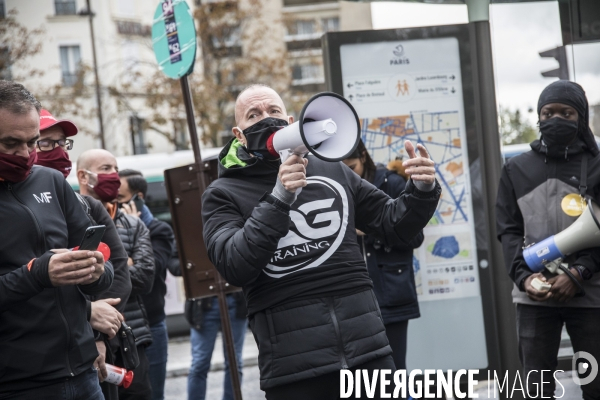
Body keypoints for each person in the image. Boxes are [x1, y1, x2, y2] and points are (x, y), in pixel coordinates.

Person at [201, 84, 440, 399]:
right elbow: (235, 264)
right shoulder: (222, 193)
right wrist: (279, 198)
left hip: (367, 352)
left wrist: (421, 192)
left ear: (289, 121)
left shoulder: (332, 168)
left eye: (273, 111)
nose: (265, 118)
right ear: (239, 134)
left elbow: (391, 224)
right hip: (294, 368)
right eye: (253, 115)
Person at [0, 80, 112, 399]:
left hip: (83, 373)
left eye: (33, 142)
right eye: (10, 144)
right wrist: (36, 275)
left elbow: (104, 266)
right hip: (18, 385)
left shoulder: (51, 180)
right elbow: (37, 275)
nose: (25, 155)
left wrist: (95, 272)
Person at [496, 80, 600, 399]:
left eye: (566, 113)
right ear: (539, 118)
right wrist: (524, 278)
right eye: (548, 112)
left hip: (590, 295)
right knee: (536, 389)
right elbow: (508, 229)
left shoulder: (597, 166)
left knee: (596, 384)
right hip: (533, 297)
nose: (556, 119)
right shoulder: (516, 169)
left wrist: (580, 272)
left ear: (580, 119)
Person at [34, 109, 132, 399]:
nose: (59, 151)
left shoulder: (87, 206)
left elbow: (116, 274)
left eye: (63, 143)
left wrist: (98, 337)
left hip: (88, 359)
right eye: (46, 143)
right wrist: (87, 314)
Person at [77, 149, 156, 400]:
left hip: (130, 337)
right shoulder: (70, 220)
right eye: (105, 169)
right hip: (88, 340)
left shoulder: (133, 224)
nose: (114, 176)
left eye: (116, 169)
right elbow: (74, 282)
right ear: (83, 176)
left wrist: (107, 273)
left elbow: (144, 278)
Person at [343, 140, 423, 372]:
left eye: (352, 167)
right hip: (354, 299)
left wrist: (370, 230)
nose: (347, 174)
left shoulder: (392, 182)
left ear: (364, 158)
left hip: (390, 292)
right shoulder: (338, 188)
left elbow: (415, 237)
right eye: (342, 169)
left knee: (394, 370)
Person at [117, 169, 176, 400]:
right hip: (123, 326)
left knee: (153, 392)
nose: (115, 205)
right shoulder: (111, 225)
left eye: (121, 199)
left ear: (138, 197)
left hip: (152, 324)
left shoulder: (159, 230)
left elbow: (151, 269)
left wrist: (134, 230)